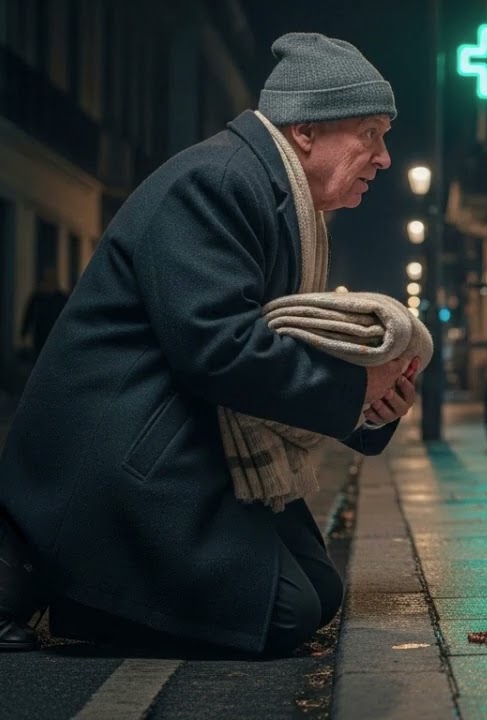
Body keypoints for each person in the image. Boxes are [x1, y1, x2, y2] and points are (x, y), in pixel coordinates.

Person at [0, 33, 422, 655]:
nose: (383, 157)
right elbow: (218, 349)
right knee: (282, 615)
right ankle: (73, 586)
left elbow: (282, 339)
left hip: (181, 433)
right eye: (370, 133)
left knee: (322, 591)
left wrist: (368, 408)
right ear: (306, 131)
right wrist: (354, 389)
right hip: (121, 451)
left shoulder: (273, 195)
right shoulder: (218, 181)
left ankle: (101, 598)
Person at [20, 268, 69, 360]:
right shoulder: (37, 296)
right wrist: (23, 332)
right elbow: (29, 315)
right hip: (41, 335)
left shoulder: (61, 297)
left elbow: (66, 317)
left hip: (54, 336)